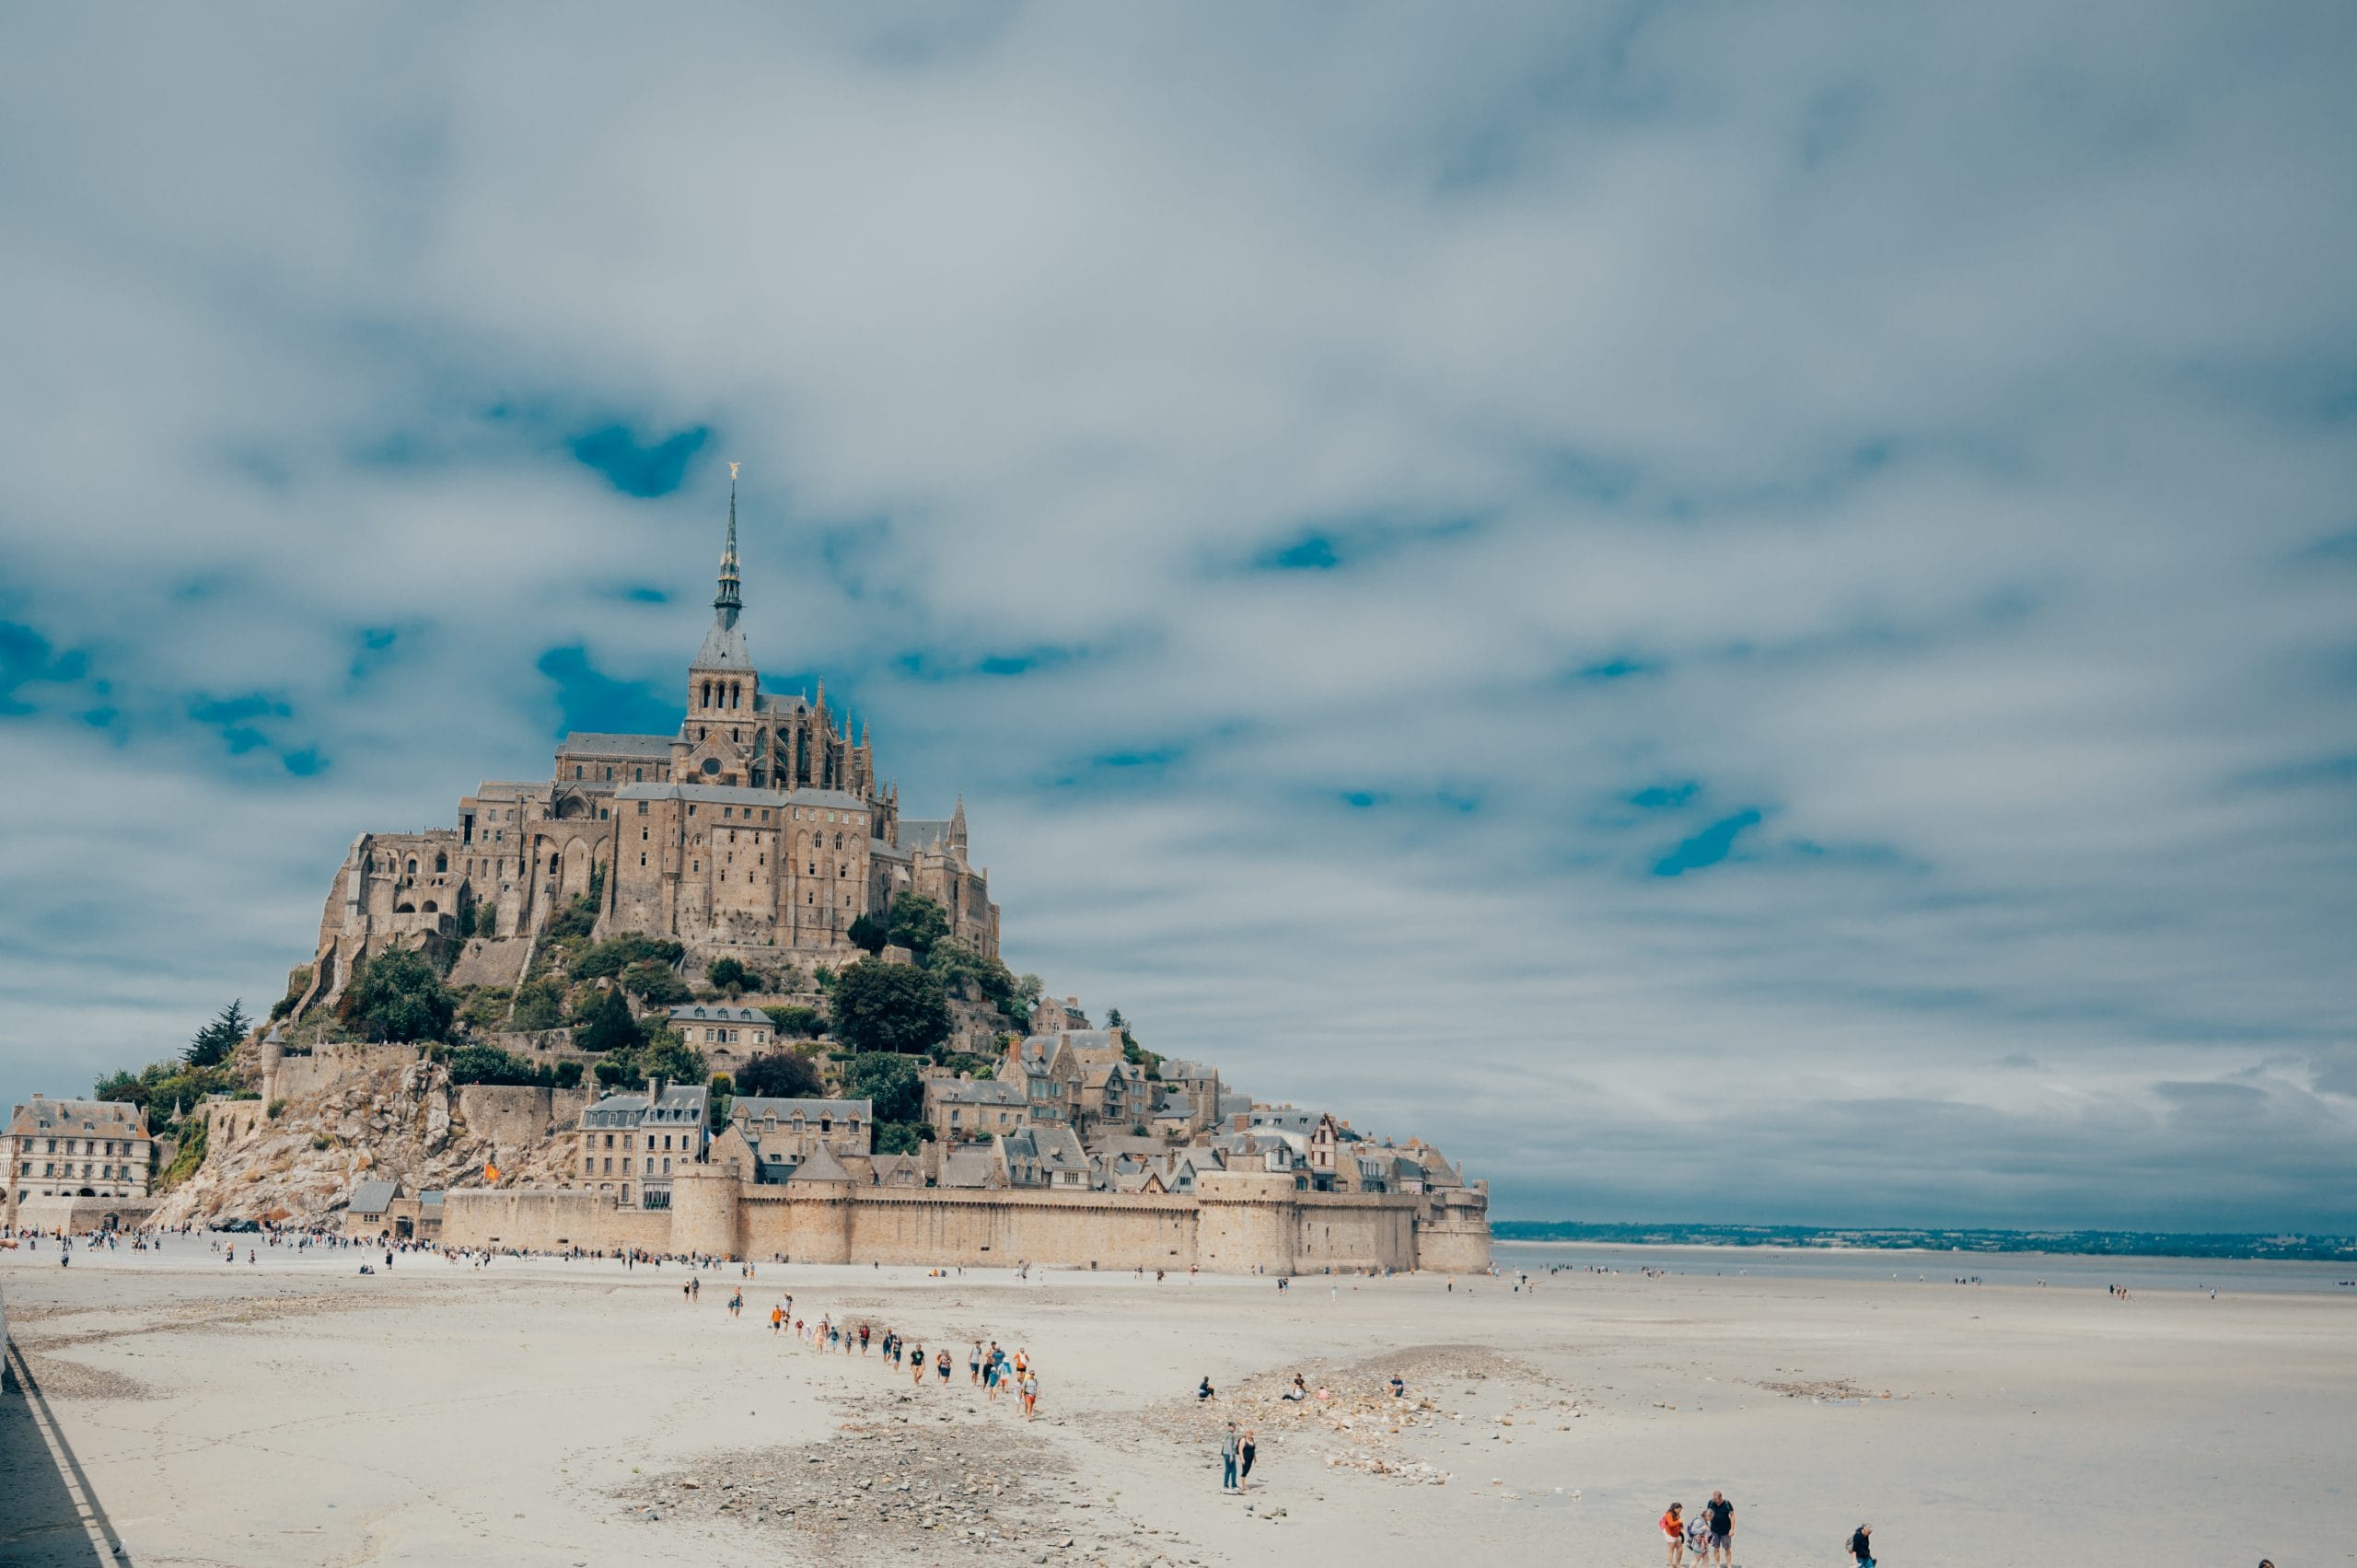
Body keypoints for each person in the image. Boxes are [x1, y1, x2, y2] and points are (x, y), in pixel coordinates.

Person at [1704, 1491, 1733, 1565]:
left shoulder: (1727, 1503)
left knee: (1727, 1548)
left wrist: (1732, 1529)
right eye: (1713, 1498)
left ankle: (1729, 1565)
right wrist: (1706, 1525)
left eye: (1716, 1499)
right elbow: (1707, 1514)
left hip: (1726, 1530)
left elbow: (1732, 1516)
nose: (1714, 1500)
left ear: (1720, 1497)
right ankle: (1717, 1565)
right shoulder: (1711, 1502)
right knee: (1716, 1548)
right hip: (1714, 1530)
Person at [1661, 1502, 1686, 1566]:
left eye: (1681, 1510)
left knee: (1680, 1549)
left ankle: (1678, 1565)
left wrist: (1681, 1526)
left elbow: (1679, 1522)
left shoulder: (1677, 1513)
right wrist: (1679, 1521)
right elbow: (1671, 1524)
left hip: (1676, 1533)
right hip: (1669, 1533)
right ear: (1675, 1509)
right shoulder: (1668, 1514)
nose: (1680, 1511)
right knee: (1671, 1550)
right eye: (1679, 1510)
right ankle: (1671, 1566)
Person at [1220, 1423, 1240, 1492]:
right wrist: (1231, 1455)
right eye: (1233, 1427)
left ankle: (1226, 1485)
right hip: (1229, 1454)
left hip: (1226, 1454)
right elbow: (1229, 1445)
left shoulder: (1226, 1434)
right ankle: (1233, 1485)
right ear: (1229, 1427)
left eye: (1235, 1427)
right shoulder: (1230, 1435)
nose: (1234, 1428)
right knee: (1233, 1470)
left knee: (1228, 1470)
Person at [1237, 1427, 1257, 1493]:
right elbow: (1240, 1450)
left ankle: (1243, 1484)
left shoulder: (1252, 1439)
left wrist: (1255, 1457)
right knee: (1245, 1471)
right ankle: (1242, 1485)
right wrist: (1242, 1459)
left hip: (1250, 1458)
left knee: (1247, 1470)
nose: (1249, 1434)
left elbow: (1253, 1449)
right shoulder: (1243, 1440)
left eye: (1251, 1433)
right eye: (1248, 1433)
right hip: (1245, 1458)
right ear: (1246, 1434)